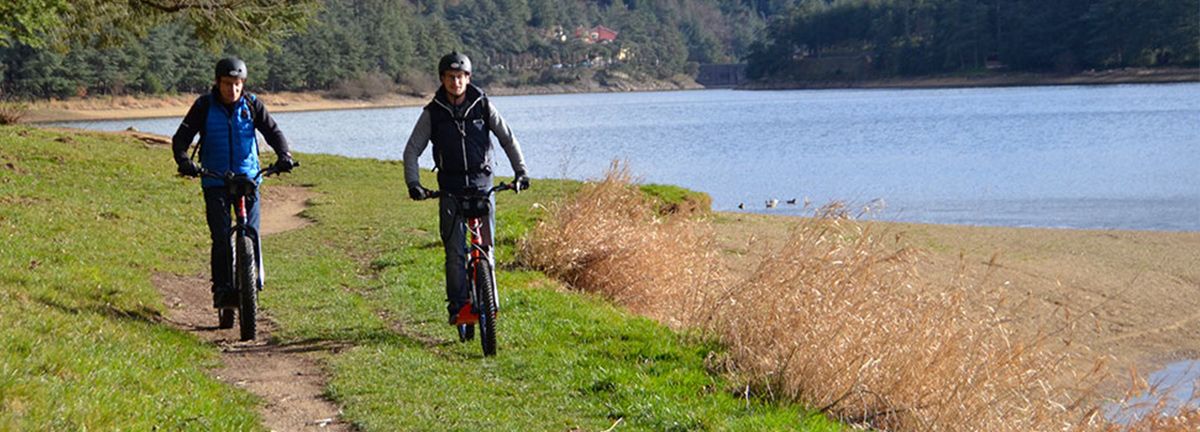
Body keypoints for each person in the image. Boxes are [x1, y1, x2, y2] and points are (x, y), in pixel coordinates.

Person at [403, 51, 530, 326]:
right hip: (450, 188)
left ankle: (490, 304)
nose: (456, 82)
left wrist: (521, 172)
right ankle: (458, 306)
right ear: (442, 79)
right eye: (450, 77)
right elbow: (412, 150)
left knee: (486, 248)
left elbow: (508, 138)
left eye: (460, 77)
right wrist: (413, 183)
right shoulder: (433, 112)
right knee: (455, 252)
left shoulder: (483, 106)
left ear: (468, 78)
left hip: (482, 185)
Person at [172, 57, 295, 309]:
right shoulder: (204, 106)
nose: (233, 89)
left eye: (238, 84)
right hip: (214, 179)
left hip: (248, 177)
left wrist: (285, 156)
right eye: (228, 83)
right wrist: (184, 161)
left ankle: (253, 282)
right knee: (220, 236)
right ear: (217, 83)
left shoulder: (252, 105)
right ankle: (222, 289)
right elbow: (181, 138)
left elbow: (273, 132)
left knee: (251, 232)